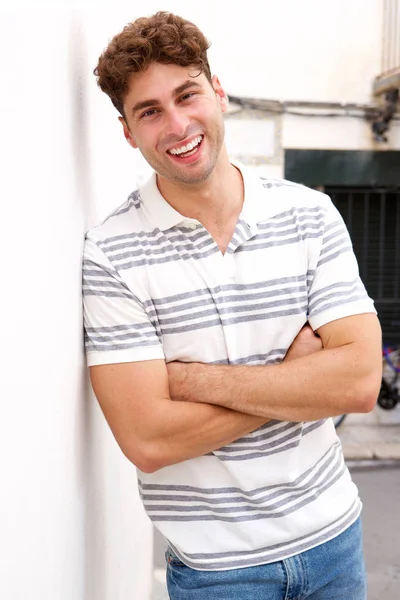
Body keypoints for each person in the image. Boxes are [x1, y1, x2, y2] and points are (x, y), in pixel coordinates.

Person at [83, 11, 382, 599]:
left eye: (187, 95)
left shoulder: (309, 214)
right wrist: (296, 382)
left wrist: (192, 383)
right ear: (128, 132)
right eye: (149, 111)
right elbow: (150, 441)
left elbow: (359, 382)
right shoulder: (111, 254)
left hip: (335, 543)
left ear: (217, 93)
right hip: (219, 573)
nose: (177, 124)